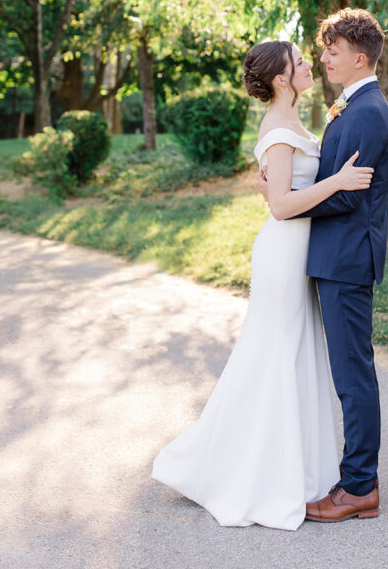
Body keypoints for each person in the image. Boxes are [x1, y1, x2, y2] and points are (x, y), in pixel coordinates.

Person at [151, 39, 374, 531]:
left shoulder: (293, 121)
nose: (310, 65)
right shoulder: (276, 128)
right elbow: (281, 206)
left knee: (296, 354)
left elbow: (283, 190)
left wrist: (298, 186)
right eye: (300, 62)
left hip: (302, 252)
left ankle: (295, 467)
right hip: (282, 254)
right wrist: (337, 182)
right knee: (273, 354)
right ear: (280, 78)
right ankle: (240, 469)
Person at [262, 8, 388, 524]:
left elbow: (346, 195)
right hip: (335, 255)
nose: (323, 59)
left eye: (332, 51)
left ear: (359, 58)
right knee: (347, 370)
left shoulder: (366, 112)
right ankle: (358, 477)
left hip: (346, 259)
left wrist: (284, 201)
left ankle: (359, 486)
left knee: (352, 374)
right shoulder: (353, 104)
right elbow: (332, 179)